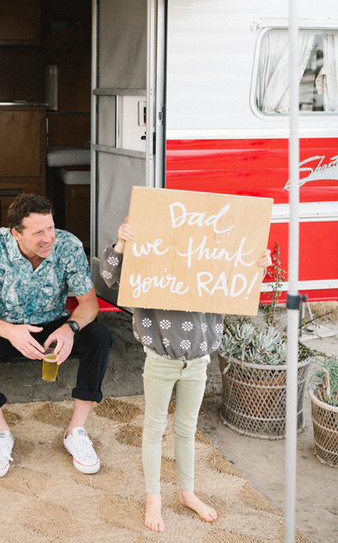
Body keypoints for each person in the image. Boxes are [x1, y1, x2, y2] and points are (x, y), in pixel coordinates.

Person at [100, 219, 272, 532]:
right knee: (154, 428)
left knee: (187, 428)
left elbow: (240, 289)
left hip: (198, 360)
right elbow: (111, 277)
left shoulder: (212, 260)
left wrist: (258, 266)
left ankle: (187, 492)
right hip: (160, 358)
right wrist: (122, 243)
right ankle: (154, 497)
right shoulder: (153, 258)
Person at [0, 193, 112, 478]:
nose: (48, 238)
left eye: (51, 228)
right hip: (8, 329)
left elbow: (89, 304)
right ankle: (1, 433)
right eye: (38, 232)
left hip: (54, 327)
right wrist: (9, 331)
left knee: (100, 336)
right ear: (16, 234)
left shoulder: (68, 245)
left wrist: (70, 328)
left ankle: (75, 431)